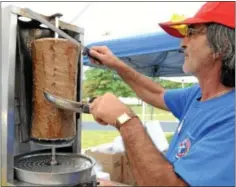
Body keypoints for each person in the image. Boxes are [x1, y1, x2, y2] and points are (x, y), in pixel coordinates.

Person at [87, 2, 235, 186]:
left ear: (222, 47)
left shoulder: (231, 118)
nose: (182, 43)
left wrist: (125, 120)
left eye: (191, 33)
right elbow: (156, 93)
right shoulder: (198, 95)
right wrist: (116, 64)